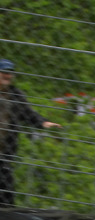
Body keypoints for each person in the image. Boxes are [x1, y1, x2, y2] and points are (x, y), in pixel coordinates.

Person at [0, 58, 62, 206]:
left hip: (4, 153)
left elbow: (28, 114)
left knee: (6, 194)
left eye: (10, 73)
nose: (7, 76)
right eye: (3, 72)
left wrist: (43, 122)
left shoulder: (15, 95)